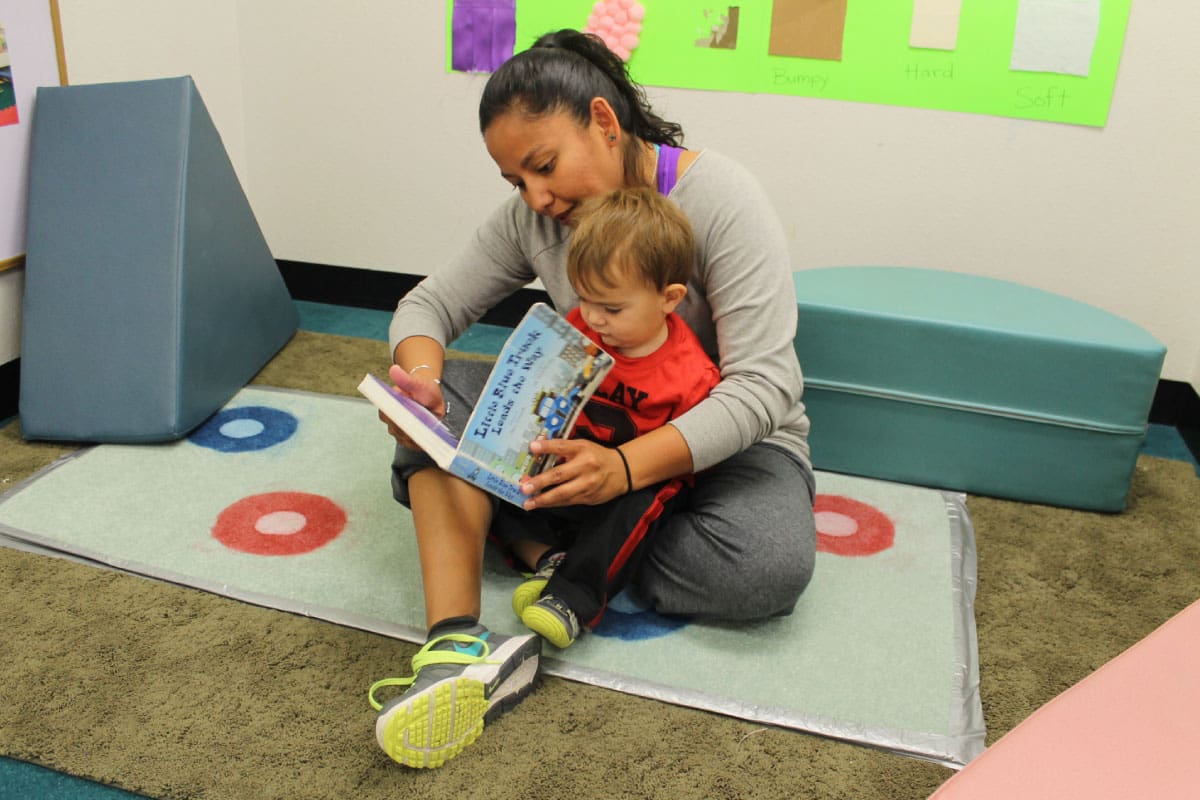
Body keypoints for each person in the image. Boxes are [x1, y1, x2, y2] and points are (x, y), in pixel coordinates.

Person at [369, 28, 817, 769]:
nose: (537, 197)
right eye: (516, 180)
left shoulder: (722, 198)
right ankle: (453, 645)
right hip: (582, 426)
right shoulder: (537, 216)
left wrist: (626, 470)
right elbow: (427, 308)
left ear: (605, 124)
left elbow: (765, 386)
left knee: (767, 568)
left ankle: (533, 540)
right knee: (433, 409)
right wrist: (417, 374)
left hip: (721, 449)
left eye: (543, 166)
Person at [500, 185, 722, 650]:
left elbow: (690, 459)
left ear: (670, 298)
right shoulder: (579, 330)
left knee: (643, 502)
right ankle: (548, 559)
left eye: (612, 308)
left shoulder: (691, 374)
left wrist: (625, 473)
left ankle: (571, 599)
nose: (595, 319)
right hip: (569, 466)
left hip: (634, 483)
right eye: (585, 300)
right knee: (498, 481)